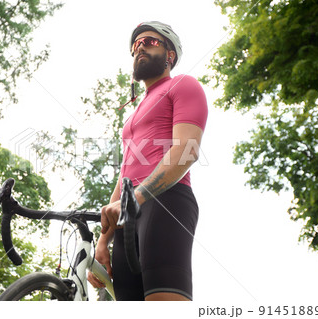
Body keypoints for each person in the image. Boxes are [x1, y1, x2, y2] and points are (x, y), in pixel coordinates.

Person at [88, 21, 208, 301]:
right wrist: (103, 240)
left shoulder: (183, 85)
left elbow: (186, 151)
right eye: (136, 44)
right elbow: (125, 175)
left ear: (170, 55)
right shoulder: (131, 117)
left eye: (150, 41)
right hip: (129, 215)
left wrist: (137, 198)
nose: (140, 46)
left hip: (167, 201)